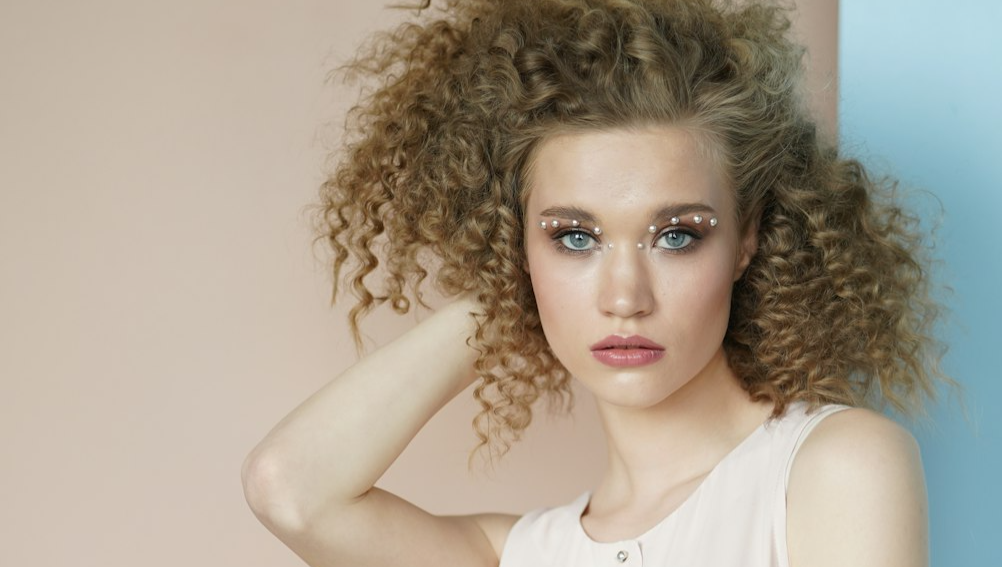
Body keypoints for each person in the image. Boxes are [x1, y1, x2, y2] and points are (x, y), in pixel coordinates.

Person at [241, 1, 957, 565]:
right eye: (575, 237)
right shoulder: (526, 554)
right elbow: (291, 489)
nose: (624, 296)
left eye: (677, 235)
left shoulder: (834, 467)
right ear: (518, 248)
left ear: (747, 239)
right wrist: (507, 288)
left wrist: (549, 259)